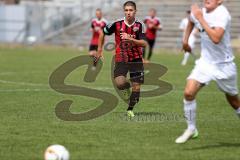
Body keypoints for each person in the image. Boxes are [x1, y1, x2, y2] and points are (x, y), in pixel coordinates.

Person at [175, 0, 240, 144]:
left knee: (234, 102)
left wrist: (200, 18)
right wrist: (185, 41)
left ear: (220, 1)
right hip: (205, 63)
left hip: (224, 65)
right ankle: (191, 129)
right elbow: (191, 21)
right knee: (188, 93)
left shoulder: (223, 14)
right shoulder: (200, 12)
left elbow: (216, 38)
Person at [97, 1, 147, 118]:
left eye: (131, 10)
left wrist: (130, 39)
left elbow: (144, 43)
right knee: (120, 83)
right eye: (126, 10)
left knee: (136, 90)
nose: (128, 13)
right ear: (124, 11)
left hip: (136, 59)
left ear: (135, 11)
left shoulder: (140, 25)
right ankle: (128, 88)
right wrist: (99, 49)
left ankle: (130, 109)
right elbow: (102, 32)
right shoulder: (116, 24)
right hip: (121, 58)